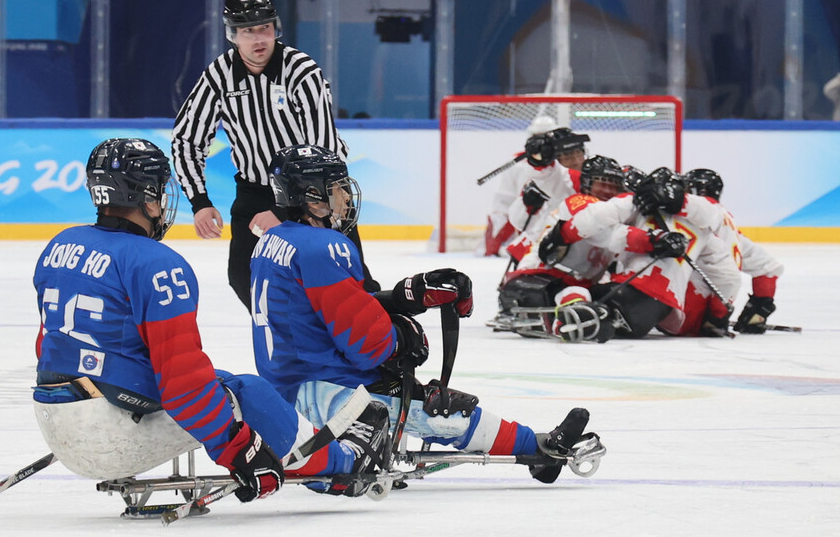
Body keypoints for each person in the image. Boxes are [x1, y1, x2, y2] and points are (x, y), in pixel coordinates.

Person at [32, 138, 390, 502]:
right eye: (159, 189)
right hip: (110, 427)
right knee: (244, 391)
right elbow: (183, 381)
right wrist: (239, 450)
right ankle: (341, 462)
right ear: (146, 197)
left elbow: (48, 346)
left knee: (205, 382)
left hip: (54, 413)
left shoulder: (59, 246)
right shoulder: (157, 264)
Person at [249, 143, 602, 486]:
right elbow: (367, 345)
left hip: (287, 390)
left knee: (414, 394)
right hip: (325, 397)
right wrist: (402, 338)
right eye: (336, 188)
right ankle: (538, 449)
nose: (344, 198)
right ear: (311, 195)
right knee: (438, 408)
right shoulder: (324, 247)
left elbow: (327, 308)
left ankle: (532, 446)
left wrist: (409, 295)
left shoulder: (272, 241)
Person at [172, 0, 377, 313]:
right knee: (243, 277)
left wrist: (285, 212)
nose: (259, 38)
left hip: (321, 191)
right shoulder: (218, 76)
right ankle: (293, 342)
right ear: (232, 35)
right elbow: (186, 140)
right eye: (248, 30)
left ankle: (382, 348)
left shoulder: (301, 71)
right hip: (254, 193)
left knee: (350, 279)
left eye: (265, 27)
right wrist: (200, 202)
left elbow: (321, 150)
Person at [537, 167, 741, 342]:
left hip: (626, 290)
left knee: (573, 289)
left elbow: (593, 219)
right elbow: (729, 276)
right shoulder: (706, 218)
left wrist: (562, 234)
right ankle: (598, 318)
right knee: (614, 314)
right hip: (658, 312)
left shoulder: (632, 201)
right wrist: (717, 318)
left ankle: (571, 313)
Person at [488, 155, 625, 332]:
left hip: (573, 280)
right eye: (601, 183)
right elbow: (613, 236)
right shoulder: (582, 204)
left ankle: (573, 312)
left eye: (613, 185)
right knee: (575, 292)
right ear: (587, 184)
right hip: (539, 277)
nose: (607, 190)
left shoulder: (612, 212)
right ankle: (566, 319)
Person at [682, 168, 784, 334]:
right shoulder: (728, 223)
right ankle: (738, 319)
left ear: (696, 191)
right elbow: (769, 267)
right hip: (714, 313)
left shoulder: (703, 212)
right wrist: (759, 310)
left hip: (686, 313)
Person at [482, 120, 587, 257]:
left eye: (578, 153)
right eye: (567, 156)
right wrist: (527, 204)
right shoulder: (541, 177)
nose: (575, 161)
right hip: (551, 242)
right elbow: (514, 214)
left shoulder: (593, 174)